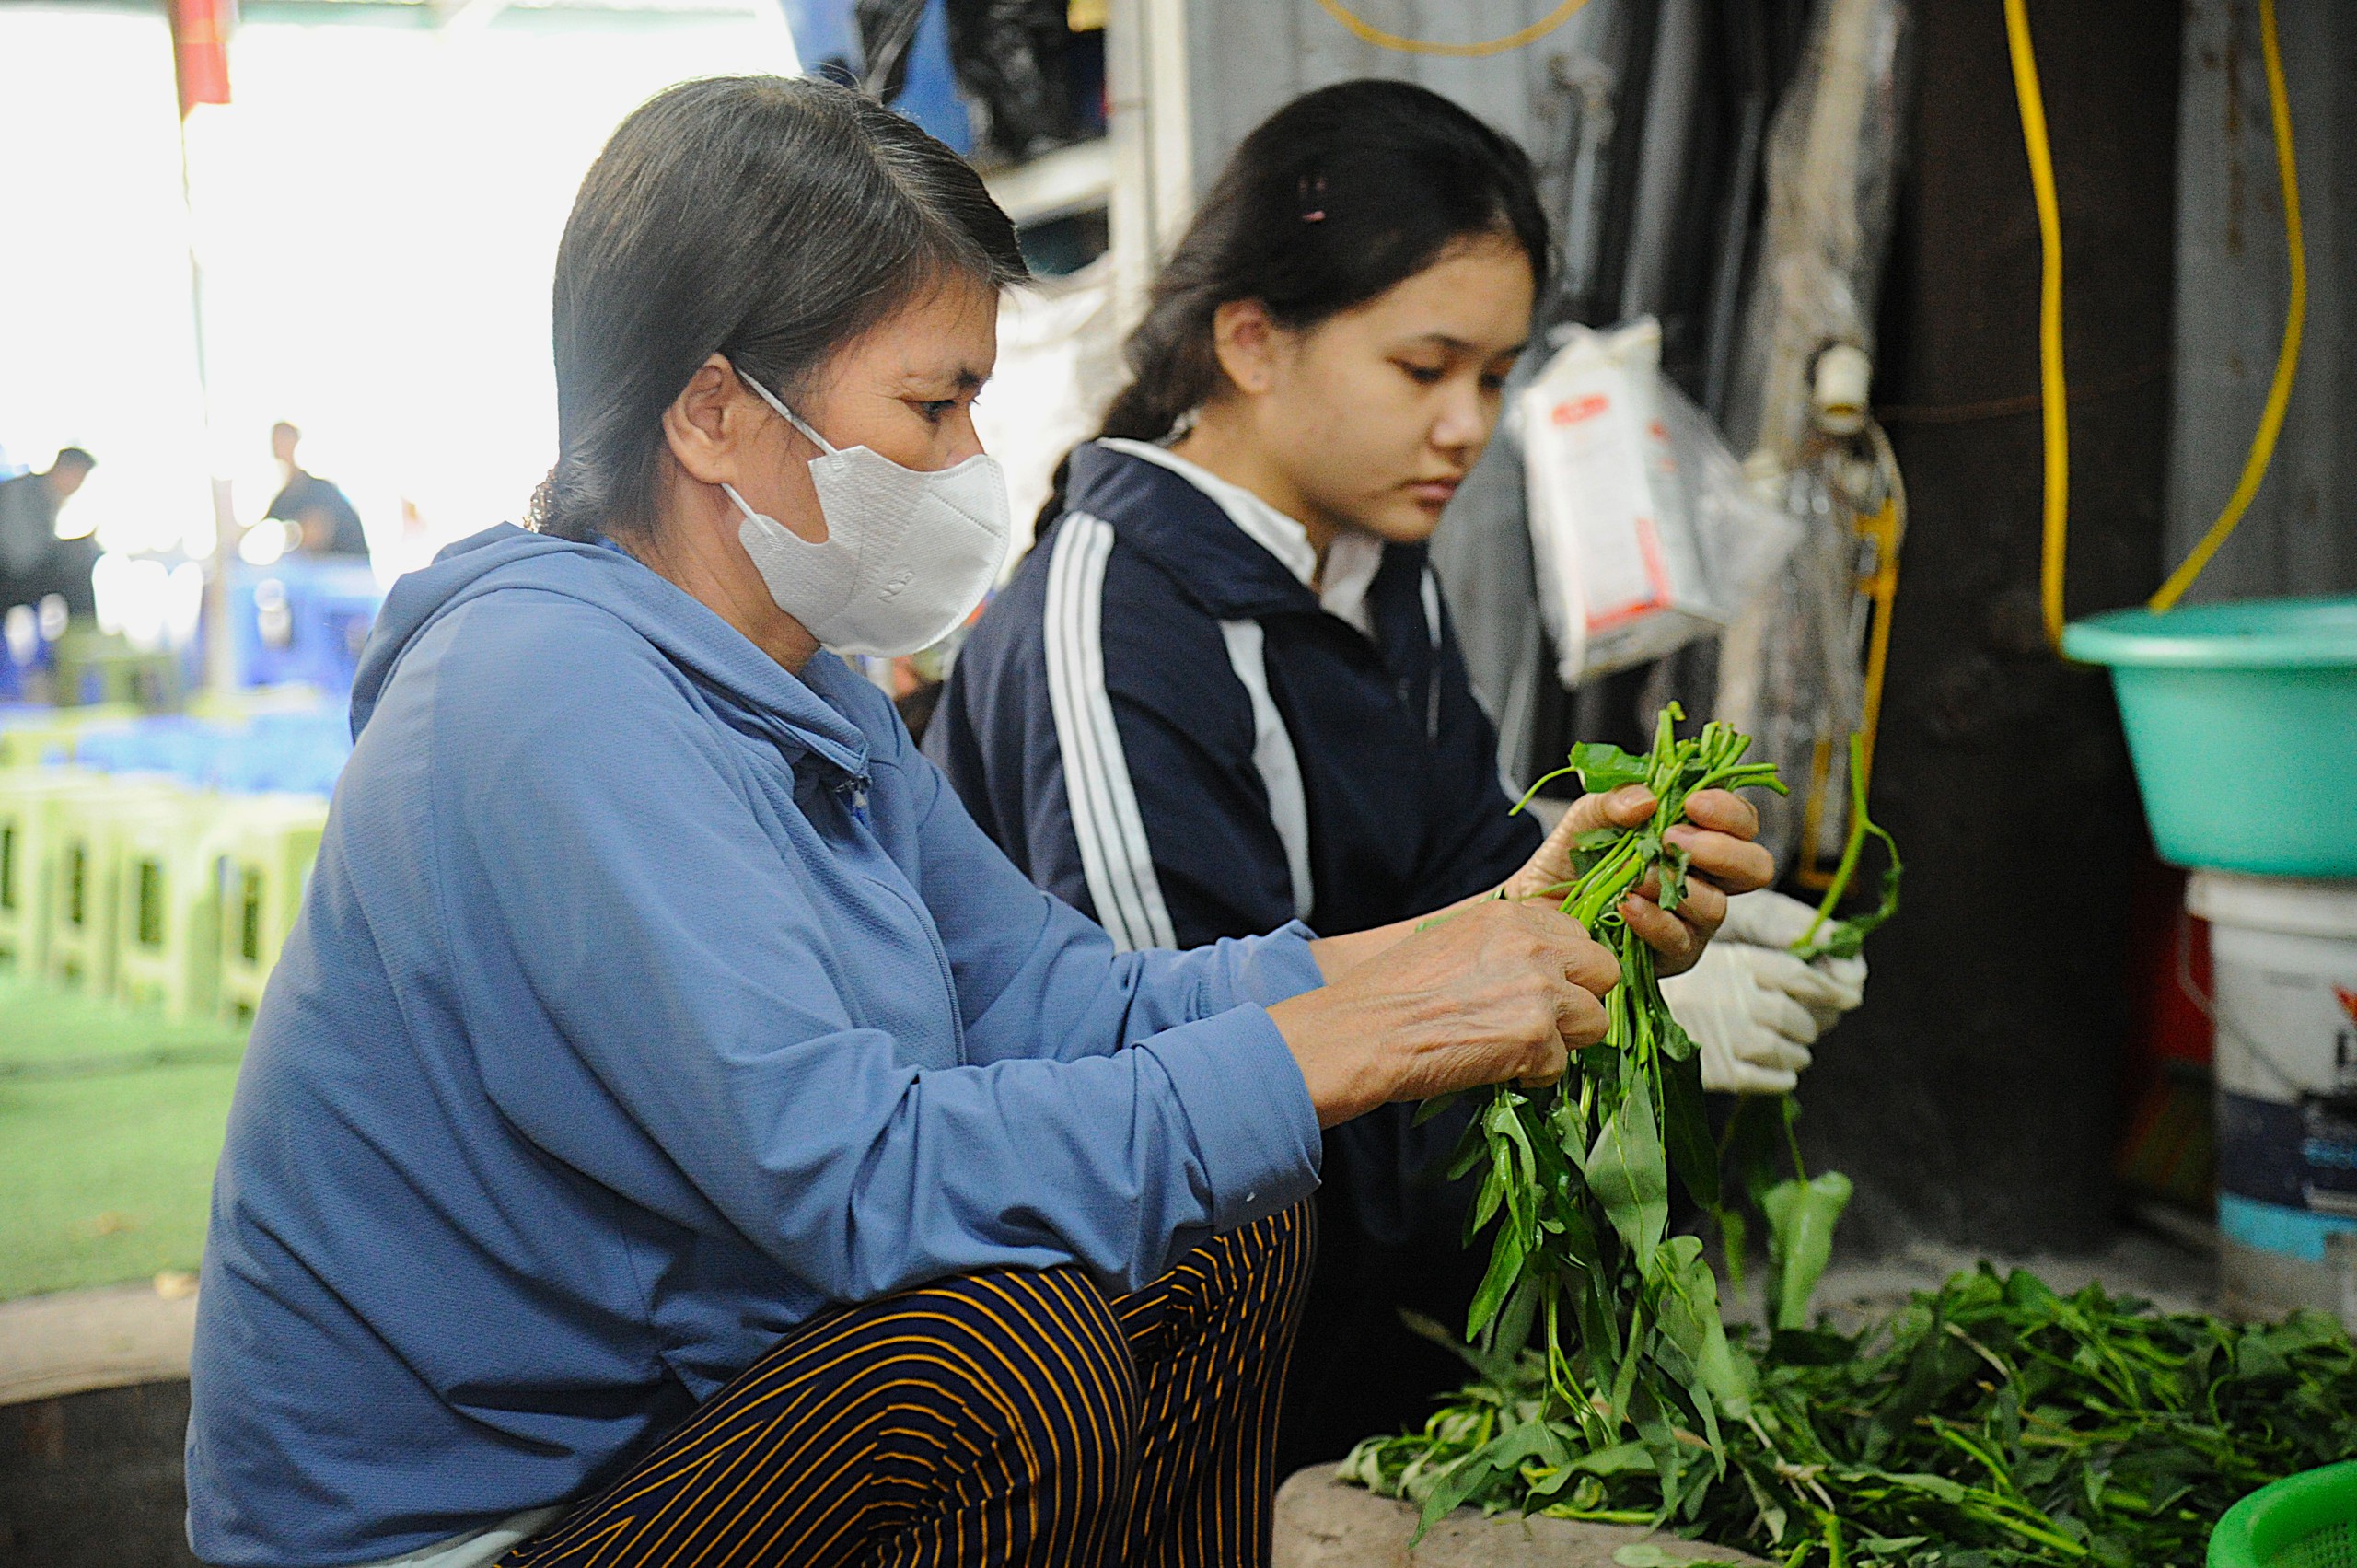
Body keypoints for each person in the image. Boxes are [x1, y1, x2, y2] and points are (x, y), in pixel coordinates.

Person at [184, 77, 1773, 1568]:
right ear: (714, 415)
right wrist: (1342, 1046)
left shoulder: (810, 693)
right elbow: (857, 1181)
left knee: (1232, 1219)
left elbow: (1079, 1004)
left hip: (686, 1436)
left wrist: (1479, 936)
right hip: (477, 1524)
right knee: (1000, 1360)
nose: (969, 463)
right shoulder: (544, 695)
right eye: (933, 407)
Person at [925, 80, 1865, 1472]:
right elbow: (1181, 1086)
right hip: (1167, 1368)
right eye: (1424, 370)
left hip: (1366, 1282)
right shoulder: (1115, 618)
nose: (1467, 427)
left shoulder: (1374, 566)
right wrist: (1559, 1012)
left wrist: (1613, 914)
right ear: (1252, 340)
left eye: (1494, 376)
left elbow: (1450, 861)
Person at [0, 447, 99, 618]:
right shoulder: (22, 491)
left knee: (80, 552)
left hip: (18, 572)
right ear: (63, 469)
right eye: (78, 477)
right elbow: (19, 555)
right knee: (79, 555)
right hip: (8, 576)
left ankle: (82, 631)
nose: (77, 485)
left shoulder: (48, 497)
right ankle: (83, 633)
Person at [263, 421, 368, 556]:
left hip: (347, 567)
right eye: (275, 440)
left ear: (295, 441)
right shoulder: (285, 495)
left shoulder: (320, 490)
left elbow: (314, 538)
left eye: (283, 439)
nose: (278, 445)